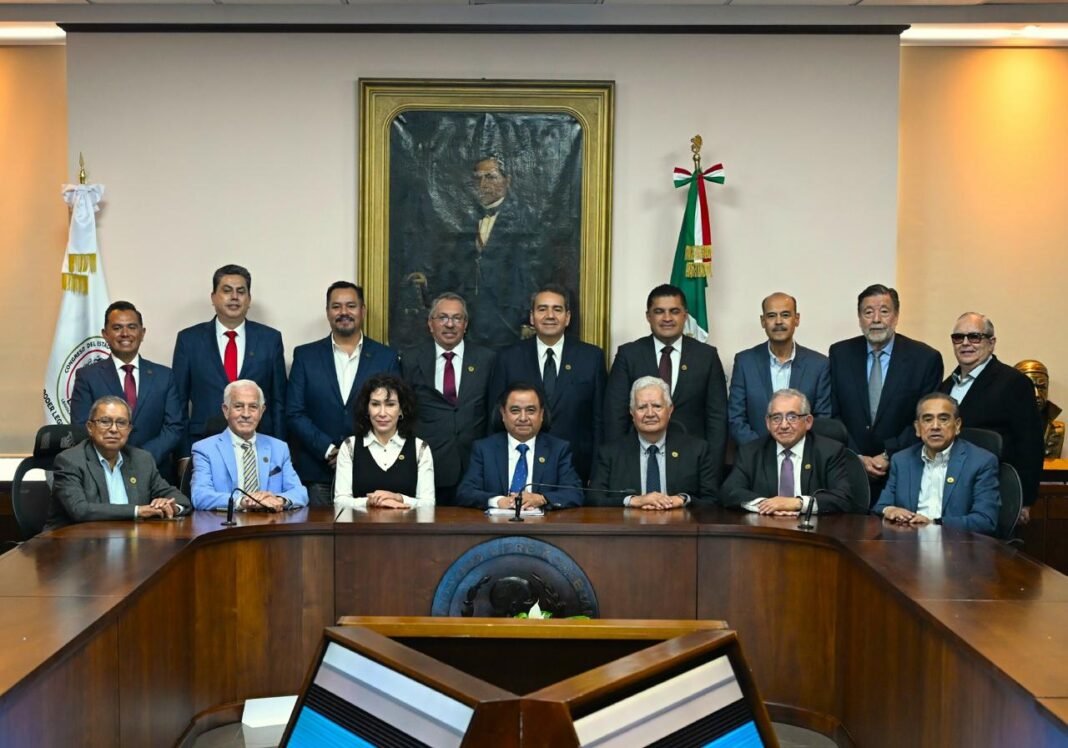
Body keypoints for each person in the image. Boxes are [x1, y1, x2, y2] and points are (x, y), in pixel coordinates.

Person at [287, 282, 400, 504]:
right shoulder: (305, 356)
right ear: (328, 312)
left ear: (363, 310)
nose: (344, 312)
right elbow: (294, 412)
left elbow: (392, 412)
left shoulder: (386, 357)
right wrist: (329, 450)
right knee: (317, 529)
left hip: (370, 471)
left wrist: (355, 453)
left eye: (351, 305)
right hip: (318, 472)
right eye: (336, 306)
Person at [603, 284, 728, 486]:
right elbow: (615, 415)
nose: (667, 318)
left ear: (685, 315)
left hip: (692, 465)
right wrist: (615, 465)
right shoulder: (629, 355)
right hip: (639, 463)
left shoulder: (706, 356)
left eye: (674, 311)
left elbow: (717, 418)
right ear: (648, 316)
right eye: (659, 311)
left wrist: (711, 472)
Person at [829, 284, 943, 494]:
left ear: (896, 316)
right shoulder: (840, 354)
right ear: (859, 318)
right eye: (868, 312)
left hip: (904, 469)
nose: (876, 319)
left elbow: (925, 419)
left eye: (884, 311)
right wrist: (855, 456)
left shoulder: (925, 359)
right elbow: (833, 412)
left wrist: (888, 454)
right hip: (849, 470)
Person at [488, 284, 606, 483]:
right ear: (532, 317)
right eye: (542, 309)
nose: (550, 315)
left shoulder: (591, 357)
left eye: (557, 309)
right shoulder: (508, 358)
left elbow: (599, 421)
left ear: (567, 317)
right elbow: (496, 420)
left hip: (576, 468)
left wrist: (597, 474)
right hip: (520, 467)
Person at [172, 264, 287, 456]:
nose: (234, 297)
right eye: (227, 291)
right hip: (204, 443)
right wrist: (183, 454)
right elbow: (179, 403)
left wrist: (279, 451)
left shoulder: (270, 339)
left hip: (259, 444)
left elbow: (279, 402)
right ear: (213, 297)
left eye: (241, 292)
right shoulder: (189, 340)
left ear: (249, 299)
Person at [938, 313, 1044, 521]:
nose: (965, 343)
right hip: (948, 491)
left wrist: (1024, 499)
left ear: (991, 343)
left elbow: (1030, 443)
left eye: (974, 337)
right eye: (958, 337)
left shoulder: (1013, 382)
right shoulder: (945, 386)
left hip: (992, 492)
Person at [69, 301, 184, 478]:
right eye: (117, 328)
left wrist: (141, 459)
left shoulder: (164, 376)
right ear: (105, 334)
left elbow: (174, 427)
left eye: (132, 327)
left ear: (142, 333)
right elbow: (82, 426)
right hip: (104, 473)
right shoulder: (87, 377)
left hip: (154, 472)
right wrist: (114, 458)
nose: (125, 333)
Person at [401, 293, 497, 504]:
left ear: (465, 324)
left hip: (475, 467)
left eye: (457, 318)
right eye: (443, 317)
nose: (450, 324)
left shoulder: (487, 360)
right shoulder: (410, 359)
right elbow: (404, 413)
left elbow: (494, 412)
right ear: (430, 323)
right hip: (428, 466)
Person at [44, 396, 190, 531]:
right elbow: (80, 510)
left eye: (121, 423)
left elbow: (181, 500)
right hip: (73, 543)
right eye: (105, 421)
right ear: (90, 427)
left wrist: (170, 506)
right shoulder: (70, 460)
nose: (114, 429)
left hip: (129, 540)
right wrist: (138, 511)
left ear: (129, 430)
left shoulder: (141, 460)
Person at [873, 393, 1000, 535]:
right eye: (927, 420)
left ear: (957, 425)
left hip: (956, 542)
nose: (935, 426)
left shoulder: (981, 461)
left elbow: (985, 521)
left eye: (943, 419)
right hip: (908, 541)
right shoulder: (901, 460)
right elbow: (881, 506)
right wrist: (890, 510)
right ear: (917, 428)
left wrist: (934, 523)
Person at [722, 389, 861, 515]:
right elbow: (729, 491)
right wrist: (767, 505)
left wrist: (797, 503)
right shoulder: (751, 452)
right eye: (776, 418)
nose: (784, 425)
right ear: (768, 423)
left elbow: (843, 498)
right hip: (766, 527)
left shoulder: (829, 451)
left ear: (808, 421)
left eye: (792, 417)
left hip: (815, 529)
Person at [590, 376, 718, 509]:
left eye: (657, 406)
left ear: (670, 410)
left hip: (679, 521)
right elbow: (593, 499)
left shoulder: (696, 450)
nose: (650, 414)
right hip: (629, 522)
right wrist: (633, 501)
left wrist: (683, 499)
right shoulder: (610, 453)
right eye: (642, 407)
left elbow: (712, 501)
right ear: (632, 413)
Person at [456, 382, 583, 509]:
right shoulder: (484, 449)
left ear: (541, 414)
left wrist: (541, 499)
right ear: (503, 414)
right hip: (496, 520)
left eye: (531, 410)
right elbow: (465, 492)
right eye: (515, 410)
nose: (523, 418)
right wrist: (498, 501)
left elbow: (574, 493)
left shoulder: (558, 449)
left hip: (542, 520)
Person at [727, 292, 831, 446]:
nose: (778, 321)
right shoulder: (745, 362)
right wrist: (762, 452)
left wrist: (799, 451)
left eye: (785, 315)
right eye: (771, 316)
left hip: (805, 456)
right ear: (763, 321)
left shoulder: (818, 365)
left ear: (797, 319)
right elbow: (736, 418)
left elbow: (822, 420)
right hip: (755, 455)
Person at [190, 380, 308, 511]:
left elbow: (300, 493)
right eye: (238, 406)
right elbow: (200, 496)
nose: (246, 414)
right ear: (226, 410)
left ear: (261, 411)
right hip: (226, 522)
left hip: (270, 521)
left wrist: (278, 500)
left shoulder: (279, 448)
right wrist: (244, 501)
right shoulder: (204, 449)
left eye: (253, 407)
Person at [333, 374, 434, 510]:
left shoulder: (420, 448)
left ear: (401, 410)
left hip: (407, 523)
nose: (382, 413)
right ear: (367, 409)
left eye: (390, 404)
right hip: (360, 523)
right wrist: (371, 502)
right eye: (375, 404)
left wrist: (398, 498)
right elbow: (340, 501)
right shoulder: (349, 446)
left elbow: (428, 503)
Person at [1016, 359, 1064, 460]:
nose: (1037, 394)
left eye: (1042, 387)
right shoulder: (1001, 426)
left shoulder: (1057, 430)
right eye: (1029, 387)